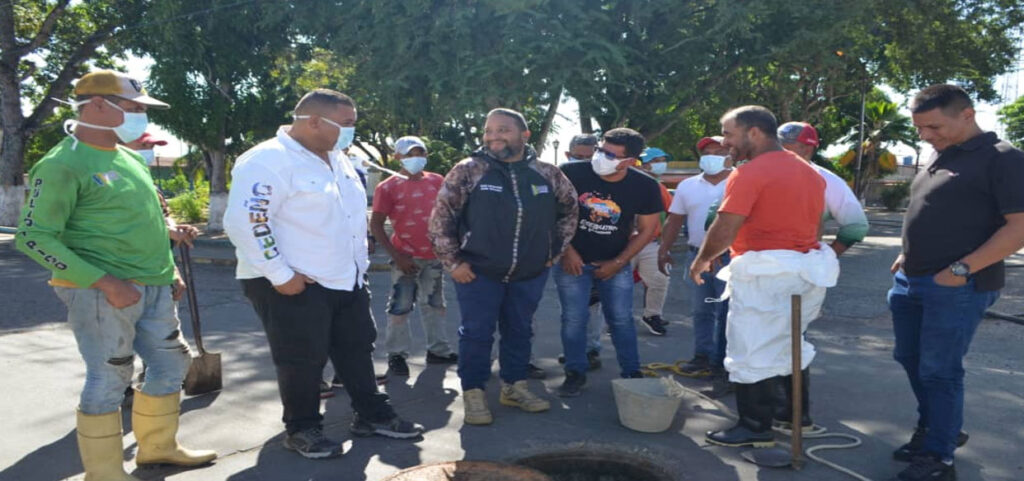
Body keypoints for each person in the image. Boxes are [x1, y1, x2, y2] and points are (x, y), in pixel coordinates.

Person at [16, 70, 216, 480]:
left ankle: (158, 448)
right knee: (110, 376)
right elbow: (33, 237)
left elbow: (151, 222)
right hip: (100, 293)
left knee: (171, 364)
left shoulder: (127, 159)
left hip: (155, 286)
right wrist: (106, 282)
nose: (142, 117)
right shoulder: (61, 164)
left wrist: (170, 266)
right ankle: (104, 473)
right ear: (98, 105)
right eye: (134, 108)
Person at [224, 89, 422, 459]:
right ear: (313, 121)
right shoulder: (267, 160)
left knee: (357, 348)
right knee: (301, 358)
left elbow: (347, 216)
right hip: (291, 282)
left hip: (344, 278)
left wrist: (357, 268)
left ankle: (371, 414)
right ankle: (302, 428)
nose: (352, 133)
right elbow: (247, 221)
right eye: (346, 125)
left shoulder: (338, 158)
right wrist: (280, 274)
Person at [887, 84, 1024, 481]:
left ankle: (939, 457)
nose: (927, 136)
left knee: (940, 370)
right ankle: (938, 428)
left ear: (967, 114)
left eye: (934, 126)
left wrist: (961, 270)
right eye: (921, 129)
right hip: (911, 280)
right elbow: (927, 210)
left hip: (958, 286)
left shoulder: (1004, 159)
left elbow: (1018, 229)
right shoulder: (940, 155)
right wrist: (904, 253)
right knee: (910, 359)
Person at [691, 105, 837, 449]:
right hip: (805, 269)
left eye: (728, 133)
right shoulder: (810, 172)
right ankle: (792, 416)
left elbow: (726, 225)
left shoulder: (749, 172)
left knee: (749, 349)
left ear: (754, 132)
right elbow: (817, 224)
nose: (725, 142)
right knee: (790, 344)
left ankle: (755, 425)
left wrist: (701, 260)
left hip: (765, 273)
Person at [428, 108, 578, 425]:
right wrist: (453, 262)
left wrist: (554, 251)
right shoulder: (469, 171)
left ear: (524, 135)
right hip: (477, 272)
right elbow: (441, 219)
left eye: (503, 130)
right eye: (489, 130)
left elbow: (570, 211)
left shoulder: (548, 173)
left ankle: (514, 386)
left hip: (530, 273)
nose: (494, 137)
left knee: (520, 331)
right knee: (477, 334)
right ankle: (474, 392)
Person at [556, 128, 663, 397]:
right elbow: (550, 215)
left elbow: (649, 229)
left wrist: (619, 262)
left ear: (630, 161)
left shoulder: (645, 186)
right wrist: (567, 251)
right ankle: (575, 372)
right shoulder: (571, 171)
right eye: (601, 150)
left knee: (621, 320)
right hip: (573, 262)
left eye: (611, 155)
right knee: (573, 319)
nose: (600, 157)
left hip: (616, 262)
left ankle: (631, 372)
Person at [371, 135, 457, 378]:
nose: (415, 158)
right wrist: (397, 257)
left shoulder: (437, 181)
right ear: (398, 157)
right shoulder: (387, 187)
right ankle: (396, 354)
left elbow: (448, 214)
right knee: (400, 306)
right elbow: (376, 224)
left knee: (435, 305)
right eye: (409, 154)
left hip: (433, 256)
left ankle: (438, 350)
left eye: (420, 153)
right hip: (405, 258)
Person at [659, 137, 733, 386]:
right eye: (707, 152)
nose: (712, 156)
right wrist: (663, 250)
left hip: (731, 259)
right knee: (702, 311)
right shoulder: (688, 186)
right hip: (697, 256)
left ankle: (724, 364)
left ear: (730, 155)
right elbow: (674, 220)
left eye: (719, 151)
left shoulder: (741, 182)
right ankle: (703, 355)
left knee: (728, 314)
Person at [778, 121, 868, 257]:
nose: (777, 151)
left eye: (785, 147)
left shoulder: (828, 181)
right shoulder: (762, 174)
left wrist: (828, 257)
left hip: (800, 266)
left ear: (807, 149)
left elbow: (856, 226)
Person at [633, 147, 675, 335]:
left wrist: (665, 243)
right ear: (644, 162)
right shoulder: (623, 182)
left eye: (662, 160)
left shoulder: (659, 187)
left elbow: (670, 213)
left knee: (659, 279)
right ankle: (615, 320)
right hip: (622, 243)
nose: (660, 163)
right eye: (657, 160)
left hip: (651, 242)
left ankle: (652, 315)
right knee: (616, 284)